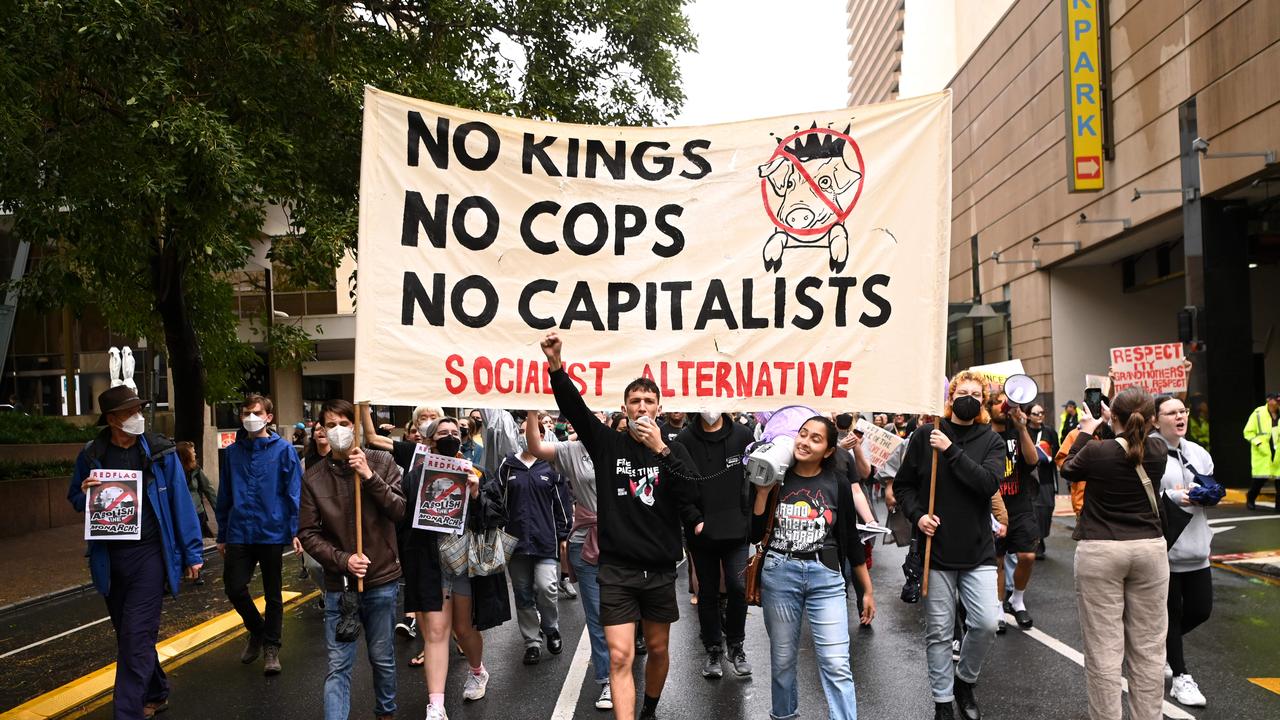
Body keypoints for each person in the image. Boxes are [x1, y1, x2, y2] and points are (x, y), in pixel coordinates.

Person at [542, 331, 702, 720]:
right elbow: (574, 408)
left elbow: (691, 495)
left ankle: (649, 707)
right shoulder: (607, 444)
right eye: (635, 401)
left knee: (658, 650)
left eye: (649, 401)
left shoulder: (673, 449)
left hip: (660, 569)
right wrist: (556, 364)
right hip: (616, 570)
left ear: (660, 407)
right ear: (625, 408)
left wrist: (660, 449)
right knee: (620, 655)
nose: (642, 406)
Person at [67, 386, 204, 720]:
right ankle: (155, 690)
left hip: (149, 555)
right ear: (112, 420)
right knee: (130, 635)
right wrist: (86, 495)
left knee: (135, 634)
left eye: (139, 410)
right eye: (130, 413)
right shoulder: (91, 455)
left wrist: (193, 552)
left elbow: (180, 503)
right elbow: (75, 498)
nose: (137, 417)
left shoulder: (160, 452)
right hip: (110, 559)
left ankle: (126, 713)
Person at [894, 371, 1004, 720]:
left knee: (986, 622)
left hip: (978, 549)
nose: (968, 397)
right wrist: (917, 516)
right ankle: (943, 701)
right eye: (963, 392)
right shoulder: (926, 434)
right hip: (935, 551)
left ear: (983, 402)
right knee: (940, 632)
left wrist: (951, 450)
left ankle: (964, 681)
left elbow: (987, 483)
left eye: (976, 393)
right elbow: (904, 486)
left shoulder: (991, 440)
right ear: (950, 396)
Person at [751, 416, 875, 720]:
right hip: (780, 574)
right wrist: (763, 492)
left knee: (836, 663)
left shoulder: (838, 483)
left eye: (815, 439)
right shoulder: (776, 474)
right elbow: (753, 534)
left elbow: (850, 538)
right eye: (802, 434)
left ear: (829, 450)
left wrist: (866, 590)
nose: (805, 442)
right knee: (782, 662)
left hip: (827, 577)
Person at [1061, 387, 1169, 720]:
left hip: (1101, 550)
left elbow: (1066, 469)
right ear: (1152, 419)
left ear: (1114, 416)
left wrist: (1088, 428)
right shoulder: (1158, 450)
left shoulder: (1098, 451)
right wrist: (1114, 424)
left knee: (1104, 651)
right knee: (1149, 650)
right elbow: (1132, 443)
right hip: (1149, 550)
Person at [298, 400, 405, 720]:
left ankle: (386, 712)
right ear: (321, 431)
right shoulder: (313, 477)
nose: (338, 431)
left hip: (382, 579)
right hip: (339, 584)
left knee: (382, 657)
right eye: (330, 425)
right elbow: (308, 533)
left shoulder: (382, 461)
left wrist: (369, 476)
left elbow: (399, 511)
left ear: (357, 427)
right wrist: (343, 560)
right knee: (338, 666)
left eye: (345, 423)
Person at [399, 416, 510, 720]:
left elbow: (497, 516)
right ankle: (435, 705)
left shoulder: (479, 473)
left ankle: (477, 671)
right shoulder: (415, 476)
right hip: (430, 564)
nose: (449, 436)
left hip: (464, 564)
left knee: (463, 629)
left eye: (454, 433)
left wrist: (475, 493)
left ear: (461, 439)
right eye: (442, 433)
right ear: (430, 441)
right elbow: (402, 517)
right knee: (435, 632)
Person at [521, 408, 615, 710]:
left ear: (610, 421)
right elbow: (535, 448)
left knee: (626, 616)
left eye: (599, 417)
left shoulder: (624, 445)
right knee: (598, 617)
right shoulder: (572, 450)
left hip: (626, 543)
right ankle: (606, 682)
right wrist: (532, 412)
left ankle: (624, 667)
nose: (593, 422)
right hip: (586, 543)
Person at [215, 393, 303, 676]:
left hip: (272, 530)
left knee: (273, 592)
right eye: (245, 413)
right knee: (234, 587)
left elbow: (293, 493)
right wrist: (221, 534)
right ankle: (257, 629)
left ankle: (272, 648)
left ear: (269, 417)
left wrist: (295, 530)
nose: (250, 418)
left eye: (256, 412)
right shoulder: (232, 453)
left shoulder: (284, 450)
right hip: (239, 530)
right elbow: (225, 494)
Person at [678, 410, 755, 679]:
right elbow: (679, 485)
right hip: (702, 532)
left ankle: (736, 645)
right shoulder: (685, 439)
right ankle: (713, 649)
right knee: (707, 592)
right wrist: (694, 519)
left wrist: (749, 519)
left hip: (737, 530)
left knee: (738, 587)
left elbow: (755, 479)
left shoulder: (744, 436)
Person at [1152, 395, 1216, 708]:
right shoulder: (1150, 451)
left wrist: (1210, 492)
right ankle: (1180, 678)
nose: (1180, 416)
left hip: (1197, 547)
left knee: (1200, 610)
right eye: (1171, 412)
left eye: (1183, 411)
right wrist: (1175, 497)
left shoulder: (1198, 452)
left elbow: (1208, 481)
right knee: (1173, 614)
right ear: (1154, 419)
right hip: (1165, 549)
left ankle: (1158, 645)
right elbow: (1144, 495)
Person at [497, 440, 572, 665]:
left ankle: (550, 627)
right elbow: (497, 500)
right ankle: (531, 642)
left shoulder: (551, 466)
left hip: (544, 540)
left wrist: (563, 533)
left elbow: (562, 503)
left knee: (546, 587)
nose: (526, 437)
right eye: (522, 431)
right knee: (522, 592)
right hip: (515, 542)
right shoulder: (507, 466)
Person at [987, 390, 1040, 631]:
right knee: (996, 561)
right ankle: (998, 607)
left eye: (1005, 402)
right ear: (988, 408)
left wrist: (1022, 429)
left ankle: (1017, 600)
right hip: (993, 509)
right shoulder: (984, 436)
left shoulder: (1015, 431)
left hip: (1020, 505)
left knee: (1027, 556)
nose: (1003, 406)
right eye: (997, 402)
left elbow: (1032, 461)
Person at [1027, 404, 1060, 559]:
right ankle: (1036, 541)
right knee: (1033, 511)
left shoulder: (1050, 432)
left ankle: (1041, 537)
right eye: (1035, 413)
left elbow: (1058, 453)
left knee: (1046, 510)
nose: (1039, 416)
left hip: (1046, 478)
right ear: (1028, 416)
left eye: (1042, 413)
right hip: (1028, 479)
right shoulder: (1023, 431)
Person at [1242, 391, 1280, 511]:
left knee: (1279, 482)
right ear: (1269, 400)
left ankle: (1278, 506)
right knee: (1259, 481)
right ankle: (1251, 498)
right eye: (1276, 400)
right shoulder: (1258, 413)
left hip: (1278, 453)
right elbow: (1247, 432)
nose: (1278, 403)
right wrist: (1258, 443)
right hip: (1263, 452)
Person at [177, 440, 217, 544]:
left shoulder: (196, 470)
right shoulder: (175, 471)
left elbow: (209, 490)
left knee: (196, 542)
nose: (195, 454)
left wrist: (218, 510)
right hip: (181, 513)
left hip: (197, 512)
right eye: (192, 452)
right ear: (186, 455)